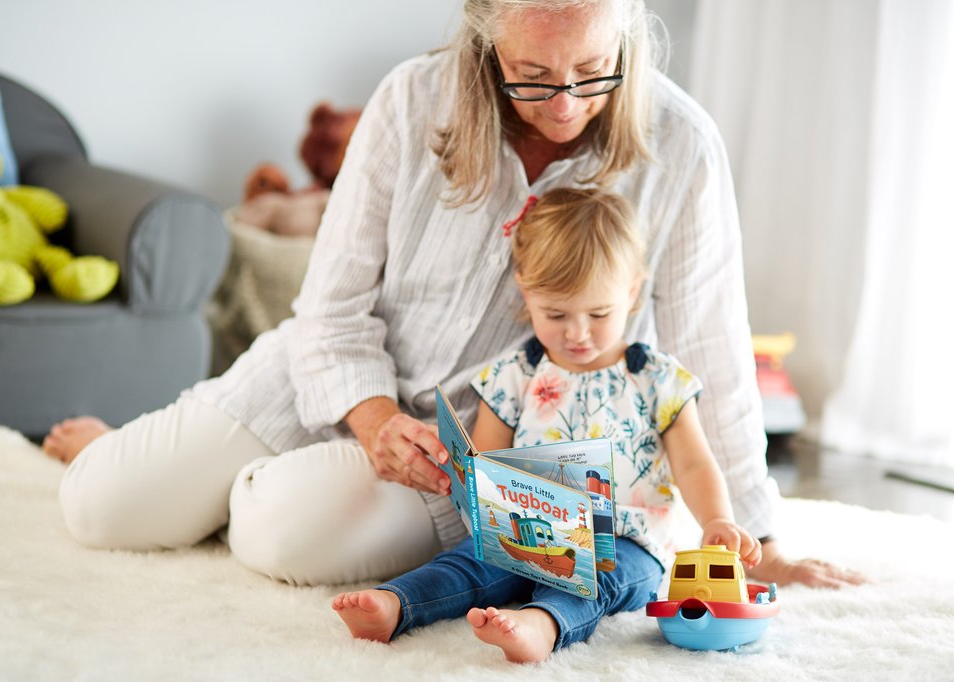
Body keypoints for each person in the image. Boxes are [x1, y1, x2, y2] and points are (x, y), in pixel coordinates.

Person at [45, 0, 862, 589]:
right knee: (99, 510)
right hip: (329, 380)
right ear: (484, 39)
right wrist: (370, 422)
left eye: (591, 72)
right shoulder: (411, 100)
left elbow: (711, 358)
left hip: (469, 460)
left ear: (630, 33)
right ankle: (146, 460)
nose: (567, 106)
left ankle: (219, 487)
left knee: (278, 531)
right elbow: (329, 311)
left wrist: (757, 535)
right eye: (532, 77)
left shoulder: (682, 147)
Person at [333, 187, 762, 663]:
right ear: (526, 291)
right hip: (529, 531)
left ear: (633, 291)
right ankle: (397, 603)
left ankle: (543, 624)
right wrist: (474, 489)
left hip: (627, 543)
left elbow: (696, 462)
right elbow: (487, 462)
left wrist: (717, 518)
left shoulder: (658, 380)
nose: (577, 333)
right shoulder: (515, 376)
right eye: (555, 314)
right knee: (468, 562)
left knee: (602, 580)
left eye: (599, 314)